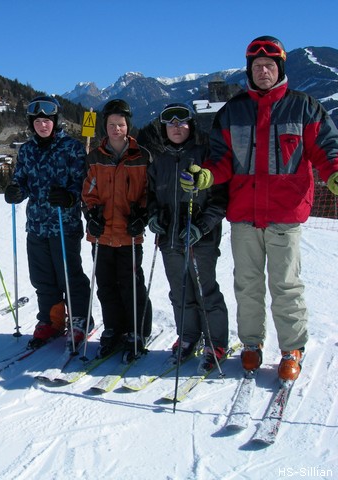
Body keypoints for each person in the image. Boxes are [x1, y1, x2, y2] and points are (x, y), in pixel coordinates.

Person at [180, 36, 338, 382]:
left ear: (279, 68)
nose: (263, 71)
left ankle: (292, 349)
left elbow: (327, 149)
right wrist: (207, 176)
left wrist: (334, 173)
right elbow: (221, 159)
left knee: (286, 285)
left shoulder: (304, 107)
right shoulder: (232, 112)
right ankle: (251, 343)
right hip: (244, 215)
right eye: (257, 66)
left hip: (285, 213)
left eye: (269, 66)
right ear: (249, 70)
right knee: (247, 284)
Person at [5, 95, 92, 349]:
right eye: (37, 121)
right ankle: (51, 320)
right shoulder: (27, 150)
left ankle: (80, 319)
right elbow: (21, 180)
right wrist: (16, 191)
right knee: (42, 277)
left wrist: (69, 197)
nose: (42, 125)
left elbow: (84, 183)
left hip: (64, 224)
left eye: (47, 121)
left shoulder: (72, 148)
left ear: (56, 121)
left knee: (69, 275)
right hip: (36, 225)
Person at [147, 103, 229, 372]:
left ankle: (215, 342)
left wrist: (201, 226)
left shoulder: (205, 156)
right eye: (170, 124)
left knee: (206, 291)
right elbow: (150, 197)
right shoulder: (159, 162)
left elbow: (220, 199)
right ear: (164, 129)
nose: (176, 127)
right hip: (170, 240)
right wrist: (153, 216)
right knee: (179, 292)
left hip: (200, 240)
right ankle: (188, 336)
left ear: (191, 126)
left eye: (181, 122)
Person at [82, 99, 152, 361]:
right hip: (101, 235)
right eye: (111, 124)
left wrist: (142, 215)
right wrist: (91, 215)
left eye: (120, 124)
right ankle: (113, 328)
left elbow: (148, 191)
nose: (116, 129)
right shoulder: (95, 157)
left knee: (131, 285)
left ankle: (137, 330)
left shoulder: (141, 156)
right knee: (106, 285)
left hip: (129, 235)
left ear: (128, 126)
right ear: (105, 126)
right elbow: (88, 190)